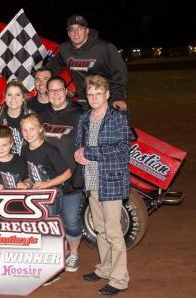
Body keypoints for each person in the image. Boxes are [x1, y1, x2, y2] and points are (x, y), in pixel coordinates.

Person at [74, 75, 131, 296]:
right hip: (91, 180)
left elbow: (123, 149)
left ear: (107, 94)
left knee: (114, 232)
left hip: (112, 181)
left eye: (99, 93)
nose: (94, 98)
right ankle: (106, 268)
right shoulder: (85, 118)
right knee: (100, 229)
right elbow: (81, 145)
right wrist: (80, 154)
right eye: (90, 94)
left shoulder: (117, 118)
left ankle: (119, 279)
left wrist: (90, 153)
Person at [20, 113, 72, 286]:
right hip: (36, 198)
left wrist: (48, 184)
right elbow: (29, 174)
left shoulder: (50, 150)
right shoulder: (24, 149)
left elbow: (67, 173)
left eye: (32, 129)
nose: (28, 133)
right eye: (25, 130)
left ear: (40, 129)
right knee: (40, 231)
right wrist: (27, 182)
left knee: (53, 231)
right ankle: (44, 264)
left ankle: (55, 269)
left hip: (52, 196)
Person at [39, 76, 84, 273]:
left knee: (71, 220)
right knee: (51, 220)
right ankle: (61, 251)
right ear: (46, 94)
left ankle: (74, 254)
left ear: (66, 91)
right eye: (51, 91)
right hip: (47, 181)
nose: (55, 94)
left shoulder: (79, 113)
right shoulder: (40, 115)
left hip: (71, 180)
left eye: (59, 90)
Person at [45, 15, 128, 111]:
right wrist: (40, 75)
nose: (76, 33)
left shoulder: (105, 48)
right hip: (84, 100)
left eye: (80, 28)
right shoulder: (65, 50)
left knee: (115, 122)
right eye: (72, 29)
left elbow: (120, 73)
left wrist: (118, 97)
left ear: (87, 31)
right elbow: (51, 68)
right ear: (68, 33)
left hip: (106, 98)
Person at [1, 80, 32, 155]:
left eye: (17, 94)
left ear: (23, 97)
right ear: (4, 97)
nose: (13, 98)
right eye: (9, 95)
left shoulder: (32, 116)